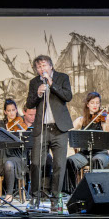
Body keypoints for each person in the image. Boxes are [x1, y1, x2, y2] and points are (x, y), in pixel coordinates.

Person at [25, 55, 73, 210]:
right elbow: (29, 103)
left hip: (59, 129)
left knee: (59, 164)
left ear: (51, 66)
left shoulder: (62, 77)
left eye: (44, 66)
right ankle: (35, 198)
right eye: (38, 67)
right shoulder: (34, 82)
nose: (41, 69)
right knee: (37, 163)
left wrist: (52, 85)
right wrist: (38, 93)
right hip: (42, 128)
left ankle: (55, 199)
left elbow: (68, 96)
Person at [65, 92, 109, 192]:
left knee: (97, 161)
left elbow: (106, 138)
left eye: (97, 103)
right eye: (92, 103)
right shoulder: (81, 120)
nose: (95, 105)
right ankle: (71, 191)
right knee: (69, 161)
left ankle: (97, 191)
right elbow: (69, 132)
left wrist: (108, 123)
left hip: (101, 154)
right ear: (87, 105)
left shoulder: (103, 120)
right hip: (84, 154)